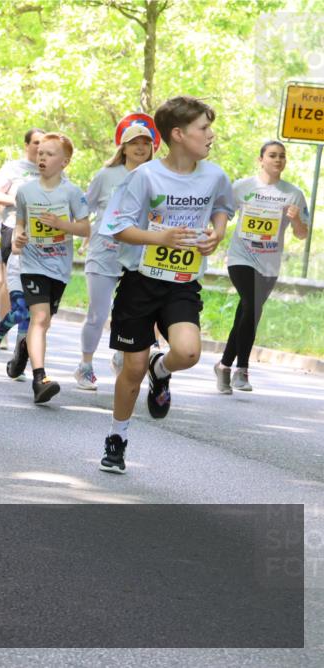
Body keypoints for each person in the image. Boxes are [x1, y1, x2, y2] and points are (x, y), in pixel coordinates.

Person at [98, 96, 234, 473]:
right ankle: (117, 436)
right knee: (132, 367)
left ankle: (163, 369)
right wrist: (159, 238)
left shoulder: (215, 175)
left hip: (182, 282)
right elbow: (117, 228)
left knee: (189, 352)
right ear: (178, 134)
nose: (211, 136)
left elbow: (223, 206)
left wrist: (217, 234)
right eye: (203, 129)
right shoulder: (144, 177)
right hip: (140, 281)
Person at [215, 140, 309, 393]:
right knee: (252, 305)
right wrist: (215, 233)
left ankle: (223, 365)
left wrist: (297, 219)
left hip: (269, 263)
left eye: (282, 156)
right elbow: (222, 213)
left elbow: (302, 234)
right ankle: (241, 371)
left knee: (248, 310)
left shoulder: (294, 193)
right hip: (241, 257)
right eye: (272, 155)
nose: (278, 160)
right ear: (261, 159)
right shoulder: (242, 187)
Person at [76, 118, 156, 390]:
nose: (140, 147)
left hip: (137, 258)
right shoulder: (106, 175)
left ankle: (121, 355)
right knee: (97, 314)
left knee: (130, 314)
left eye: (146, 142)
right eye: (135, 142)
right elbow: (83, 206)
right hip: (103, 253)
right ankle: (85, 366)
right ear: (123, 147)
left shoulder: (155, 176)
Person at [12, 132, 90, 403]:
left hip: (58, 266)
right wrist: (17, 238)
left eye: (49, 154)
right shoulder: (25, 190)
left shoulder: (72, 192)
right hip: (32, 263)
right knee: (40, 319)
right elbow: (20, 221)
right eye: (40, 152)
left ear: (65, 162)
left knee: (43, 323)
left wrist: (61, 225)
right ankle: (39, 378)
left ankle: (24, 347)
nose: (42, 157)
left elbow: (85, 227)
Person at [0, 128, 45, 268]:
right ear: (26, 145)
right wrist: (15, 201)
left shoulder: (51, 169)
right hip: (13, 227)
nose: (40, 147)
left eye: (43, 143)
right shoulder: (13, 167)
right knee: (13, 281)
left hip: (41, 231)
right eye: (36, 143)